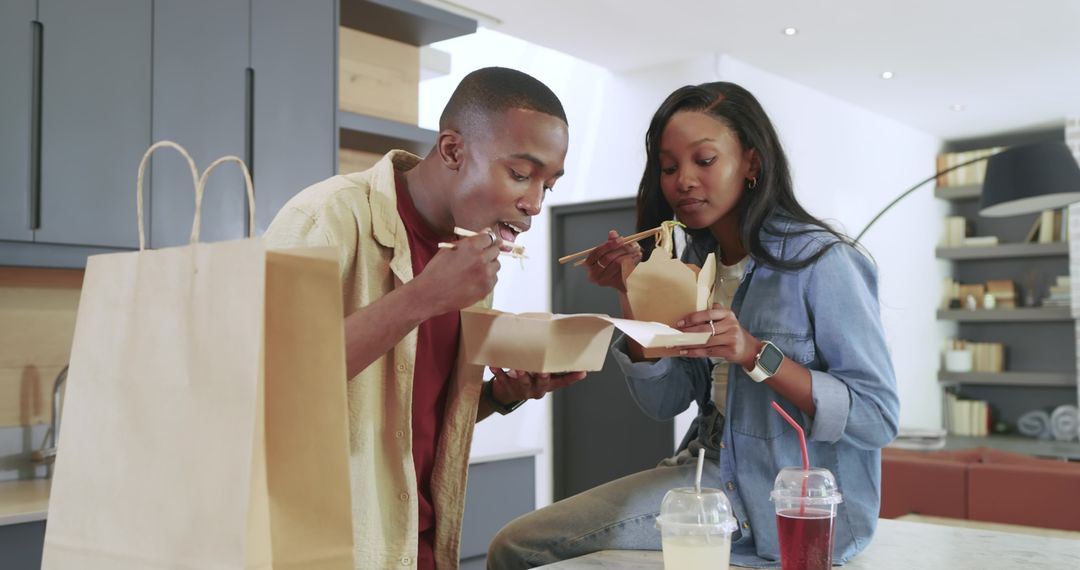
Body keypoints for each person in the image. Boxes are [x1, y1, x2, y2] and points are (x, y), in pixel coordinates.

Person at [487, 81, 900, 568]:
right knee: (519, 544)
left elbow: (877, 418)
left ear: (751, 162)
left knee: (517, 548)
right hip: (706, 472)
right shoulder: (696, 263)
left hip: (785, 505)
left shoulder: (823, 262)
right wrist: (629, 290)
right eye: (668, 166)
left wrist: (753, 353)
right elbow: (665, 403)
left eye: (704, 160)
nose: (682, 180)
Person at [263, 67, 587, 570]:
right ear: (453, 150)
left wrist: (501, 396)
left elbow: (403, 410)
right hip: (329, 550)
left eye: (548, 185)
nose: (534, 203)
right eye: (522, 175)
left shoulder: (471, 255)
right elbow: (269, 386)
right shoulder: (324, 217)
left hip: (419, 548)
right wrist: (423, 297)